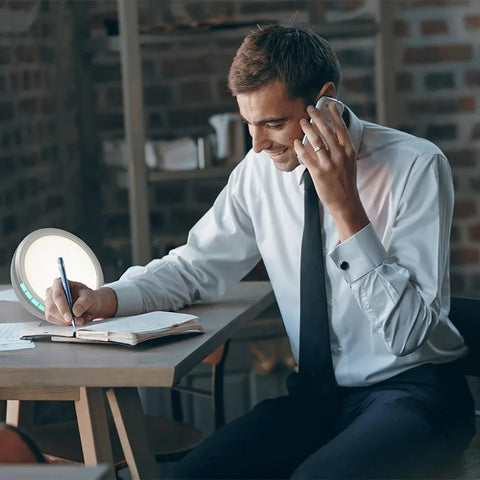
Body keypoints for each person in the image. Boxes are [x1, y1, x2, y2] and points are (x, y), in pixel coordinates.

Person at [45, 25, 475, 479]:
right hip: (313, 400)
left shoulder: (417, 167)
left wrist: (346, 206)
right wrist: (108, 297)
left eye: (273, 123)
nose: (257, 144)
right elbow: (196, 266)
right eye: (248, 123)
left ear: (326, 101)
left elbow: (412, 334)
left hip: (414, 394)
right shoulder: (259, 171)